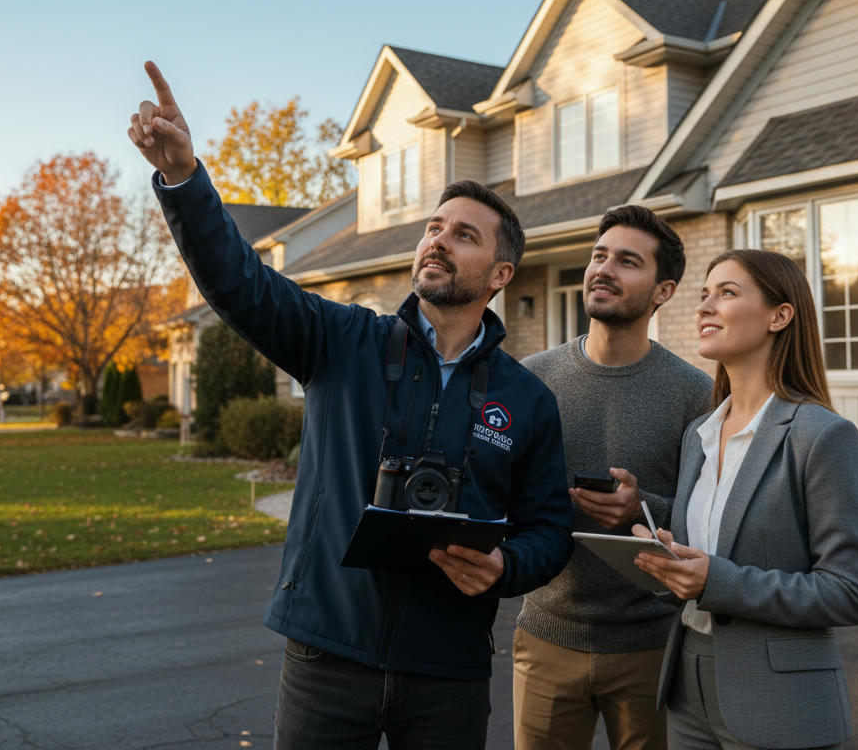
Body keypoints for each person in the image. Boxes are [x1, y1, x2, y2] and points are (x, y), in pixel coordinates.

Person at [128, 61, 574, 749]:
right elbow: (239, 281)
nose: (438, 240)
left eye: (464, 235)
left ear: (501, 274)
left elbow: (549, 529)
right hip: (325, 655)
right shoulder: (343, 341)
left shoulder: (527, 400)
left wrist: (504, 567)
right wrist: (185, 182)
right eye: (434, 226)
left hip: (449, 669)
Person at [632, 249, 858, 750]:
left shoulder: (823, 436)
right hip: (687, 688)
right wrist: (668, 564)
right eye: (703, 294)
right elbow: (708, 559)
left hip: (780, 702)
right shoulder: (699, 434)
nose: (704, 306)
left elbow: (851, 591)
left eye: (726, 293)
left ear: (779, 316)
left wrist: (715, 580)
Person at [513, 205, 713, 750]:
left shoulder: (696, 393)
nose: (604, 268)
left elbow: (712, 515)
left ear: (663, 290)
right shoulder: (531, 378)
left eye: (627, 261)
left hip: (653, 644)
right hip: (547, 634)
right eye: (599, 256)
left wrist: (640, 509)